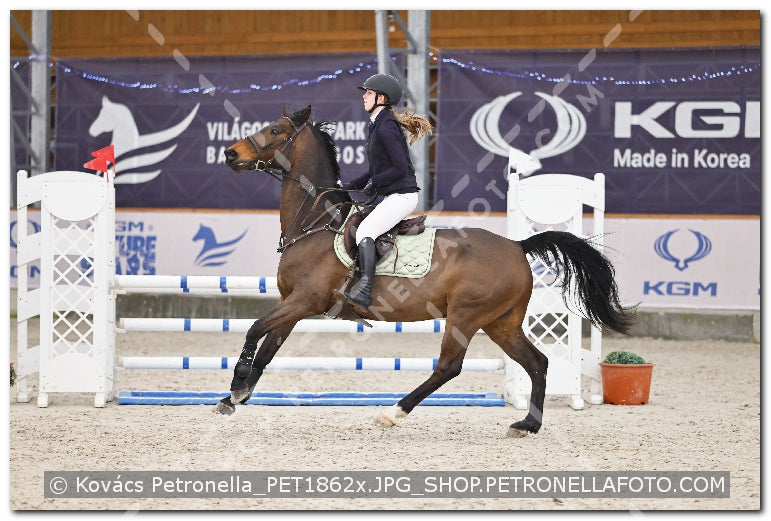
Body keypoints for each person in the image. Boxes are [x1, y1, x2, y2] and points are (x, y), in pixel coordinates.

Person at [340, 73, 433, 311]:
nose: (364, 97)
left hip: (403, 196)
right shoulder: (378, 124)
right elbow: (375, 170)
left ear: (381, 98)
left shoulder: (386, 127)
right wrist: (348, 185)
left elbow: (399, 167)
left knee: (365, 231)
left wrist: (374, 183)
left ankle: (365, 289)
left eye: (369, 93)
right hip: (394, 195)